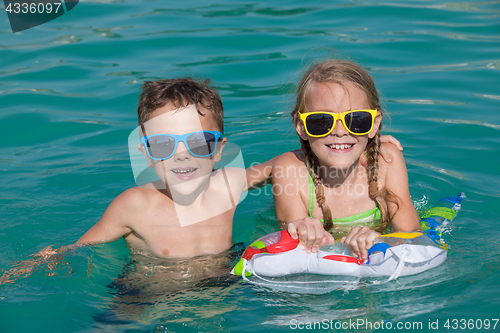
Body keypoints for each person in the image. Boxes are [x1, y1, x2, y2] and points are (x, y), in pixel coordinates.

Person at [272, 59, 421, 261]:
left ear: (375, 123)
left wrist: (379, 241)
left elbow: (412, 237)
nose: (340, 132)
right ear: (301, 126)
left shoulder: (387, 161)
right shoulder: (290, 170)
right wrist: (307, 232)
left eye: (356, 120)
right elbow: (298, 256)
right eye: (321, 120)